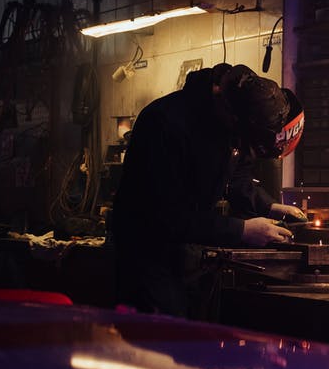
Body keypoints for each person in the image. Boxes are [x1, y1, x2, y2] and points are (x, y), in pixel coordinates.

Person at [109, 62, 306, 317]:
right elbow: (168, 216)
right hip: (146, 255)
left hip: (187, 253)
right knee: (162, 342)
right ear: (233, 116)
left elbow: (238, 178)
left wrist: (270, 206)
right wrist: (243, 230)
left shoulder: (232, 122)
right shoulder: (165, 123)